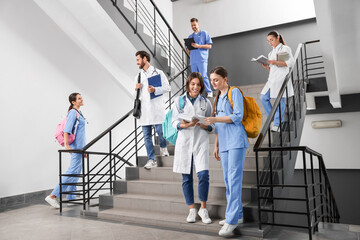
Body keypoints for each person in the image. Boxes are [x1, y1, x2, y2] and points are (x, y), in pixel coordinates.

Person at [204, 66, 249, 237]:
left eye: (216, 79)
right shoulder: (217, 97)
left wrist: (214, 118)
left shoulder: (234, 92)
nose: (213, 83)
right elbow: (219, 126)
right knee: (228, 181)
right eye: (211, 80)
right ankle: (237, 215)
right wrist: (216, 145)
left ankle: (231, 221)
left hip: (236, 141)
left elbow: (238, 116)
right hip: (223, 143)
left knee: (234, 179)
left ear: (225, 78)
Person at [172, 72, 214, 224]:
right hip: (184, 142)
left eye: (198, 84)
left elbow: (212, 125)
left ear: (201, 86)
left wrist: (205, 125)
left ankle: (203, 209)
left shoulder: (206, 103)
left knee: (203, 175)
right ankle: (191, 210)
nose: (195, 87)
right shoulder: (179, 101)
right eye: (193, 84)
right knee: (186, 178)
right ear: (188, 85)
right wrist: (185, 125)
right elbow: (174, 122)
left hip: (201, 141)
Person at [45, 93, 87, 209]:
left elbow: (80, 134)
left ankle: (71, 197)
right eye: (79, 98)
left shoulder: (79, 113)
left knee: (76, 171)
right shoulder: (73, 112)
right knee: (72, 171)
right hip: (76, 147)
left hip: (80, 148)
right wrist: (67, 145)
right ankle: (53, 196)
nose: (81, 99)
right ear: (73, 102)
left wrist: (84, 149)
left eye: (81, 98)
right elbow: (67, 129)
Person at [134, 50, 171, 169]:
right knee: (147, 137)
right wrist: (136, 89)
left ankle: (163, 147)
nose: (137, 62)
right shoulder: (138, 77)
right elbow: (136, 96)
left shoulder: (158, 73)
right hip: (144, 112)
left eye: (138, 60)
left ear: (145, 59)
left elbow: (168, 87)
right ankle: (152, 159)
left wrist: (155, 89)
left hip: (156, 109)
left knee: (160, 132)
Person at [259, 31, 295, 132]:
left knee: (280, 101)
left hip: (281, 79)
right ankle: (274, 118)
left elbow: (290, 63)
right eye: (268, 41)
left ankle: (277, 124)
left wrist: (274, 62)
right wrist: (267, 66)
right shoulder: (271, 53)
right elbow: (274, 69)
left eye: (272, 40)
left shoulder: (284, 48)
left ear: (278, 38)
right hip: (272, 80)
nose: (270, 42)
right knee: (263, 97)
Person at [187, 18, 213, 97]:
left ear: (198, 24)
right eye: (192, 25)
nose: (193, 26)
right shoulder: (190, 36)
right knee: (194, 78)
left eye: (194, 25)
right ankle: (196, 93)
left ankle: (209, 91)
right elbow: (188, 50)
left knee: (203, 75)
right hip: (193, 60)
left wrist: (199, 46)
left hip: (202, 59)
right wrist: (188, 48)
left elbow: (209, 46)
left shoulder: (204, 33)